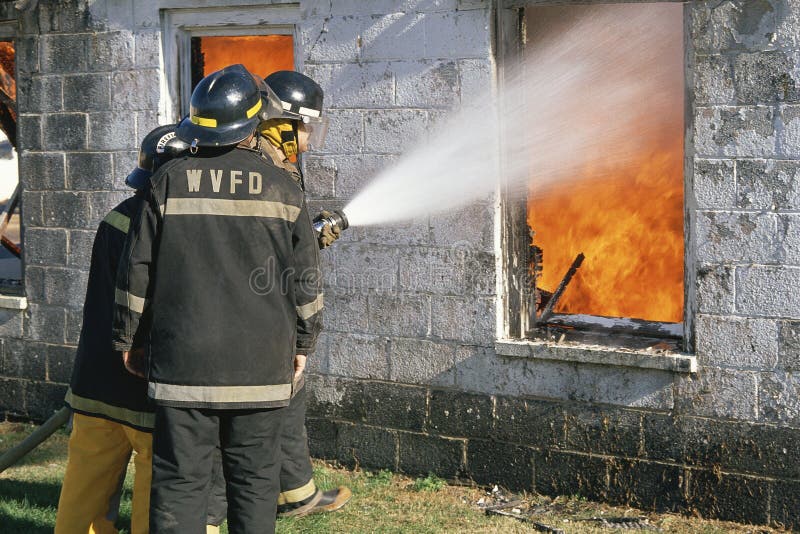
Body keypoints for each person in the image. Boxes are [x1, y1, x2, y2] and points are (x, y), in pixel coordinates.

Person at [112, 64, 322, 534]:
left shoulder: (165, 182)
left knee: (181, 483)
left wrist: (128, 338)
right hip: (262, 370)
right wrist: (303, 346)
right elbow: (305, 281)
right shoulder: (284, 188)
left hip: (183, 369)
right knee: (254, 482)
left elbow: (136, 270)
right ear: (254, 124)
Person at [205, 71, 349, 532]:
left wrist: (309, 234)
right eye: (306, 128)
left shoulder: (278, 159)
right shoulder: (254, 161)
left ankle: (295, 492)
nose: (309, 140)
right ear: (282, 123)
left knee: (290, 397)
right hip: (242, 318)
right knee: (222, 432)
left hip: (268, 307)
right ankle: (207, 517)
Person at [55, 125, 188, 534]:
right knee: (158, 496)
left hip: (95, 383)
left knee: (84, 494)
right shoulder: (179, 227)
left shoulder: (114, 218)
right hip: (147, 389)